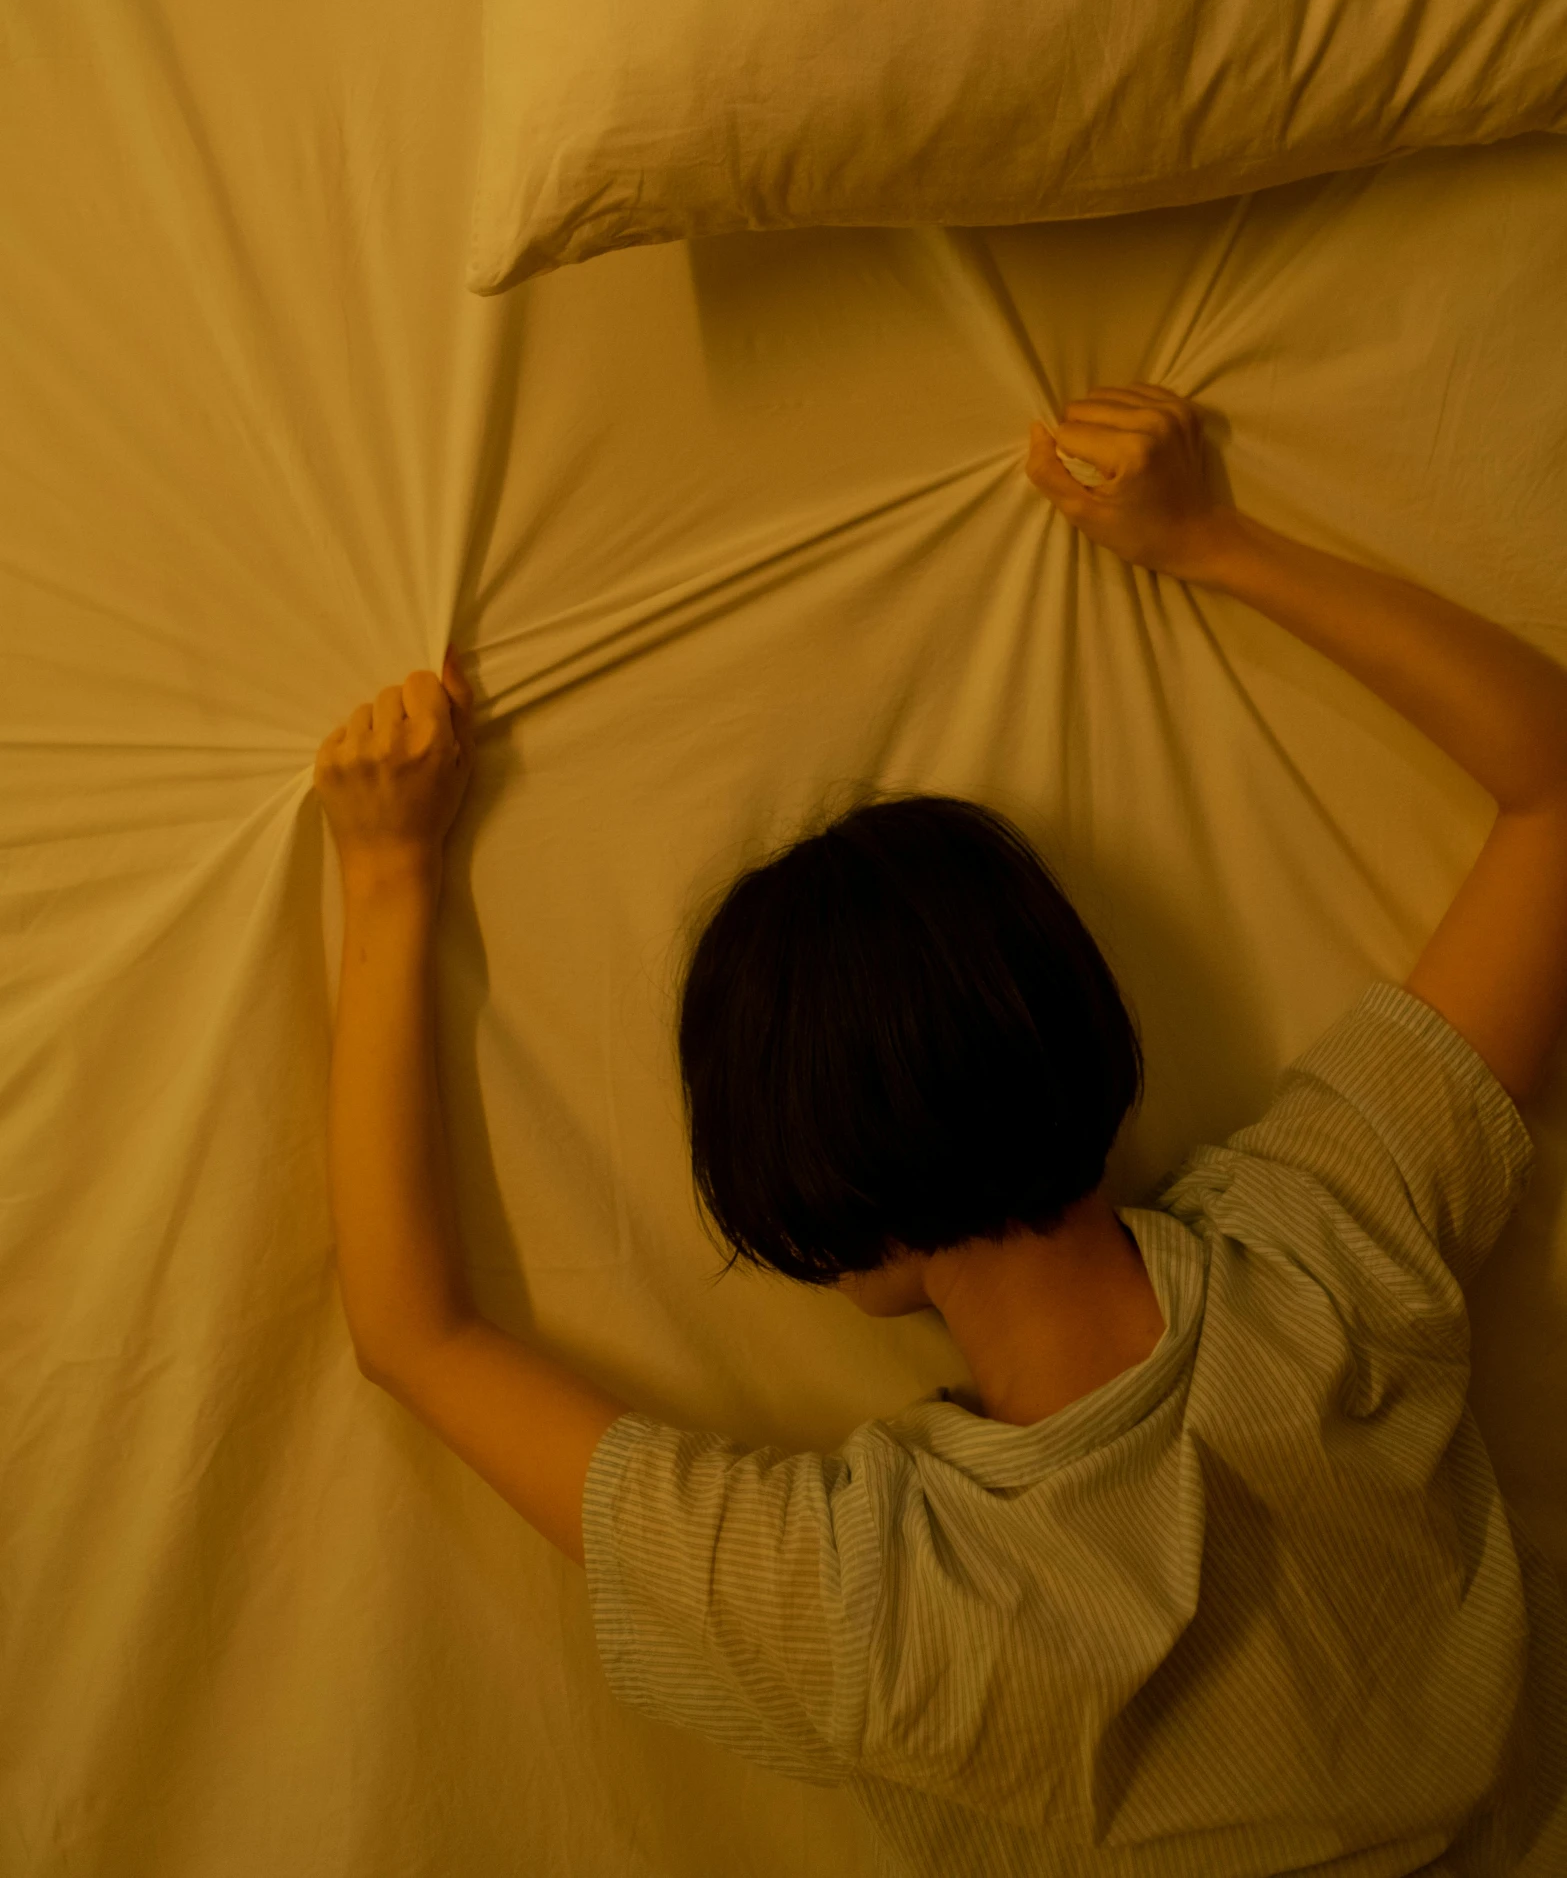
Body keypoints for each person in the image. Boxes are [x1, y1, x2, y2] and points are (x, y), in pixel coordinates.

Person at [314, 384, 1567, 1875]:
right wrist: (1209, 542)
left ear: (809, 1189)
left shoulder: (862, 1593)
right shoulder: (1327, 1238)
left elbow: (408, 1332)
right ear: (1075, 1019)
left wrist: (386, 879)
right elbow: (1552, 788)